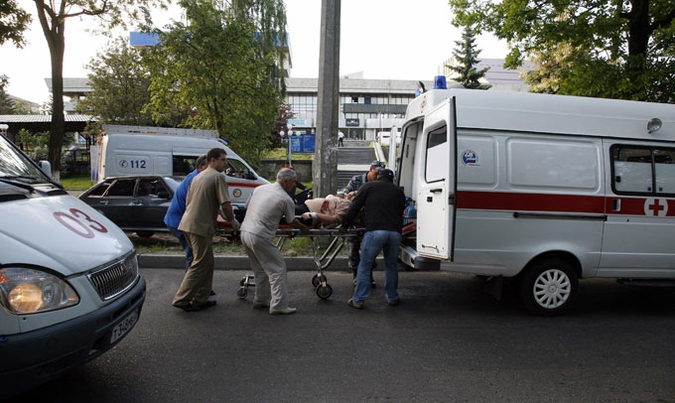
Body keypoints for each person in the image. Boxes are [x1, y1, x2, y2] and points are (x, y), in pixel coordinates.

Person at [172, 148, 240, 312]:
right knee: (200, 263)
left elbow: (193, 202)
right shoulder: (218, 177)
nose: (225, 163)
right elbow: (226, 205)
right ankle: (182, 299)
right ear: (213, 160)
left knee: (207, 262)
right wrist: (233, 221)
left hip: (188, 224)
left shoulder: (198, 176)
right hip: (200, 226)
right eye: (223, 160)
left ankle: (200, 298)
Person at [240, 168, 310, 315]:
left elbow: (247, 207)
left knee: (260, 269)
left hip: (245, 231)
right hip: (260, 235)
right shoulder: (285, 199)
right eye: (293, 182)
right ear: (285, 181)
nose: (294, 185)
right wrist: (303, 227)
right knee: (277, 269)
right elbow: (292, 221)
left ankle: (261, 298)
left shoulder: (260, 189)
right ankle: (279, 304)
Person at [339, 169, 406, 309]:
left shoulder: (368, 187)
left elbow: (355, 207)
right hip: (394, 233)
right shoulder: (399, 192)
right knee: (391, 265)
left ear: (377, 177)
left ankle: (359, 300)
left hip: (375, 231)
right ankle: (392, 297)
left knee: (365, 265)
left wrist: (345, 225)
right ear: (392, 179)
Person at [340, 160, 386, 285]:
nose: (377, 177)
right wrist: (352, 194)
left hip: (371, 220)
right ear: (370, 169)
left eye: (379, 175)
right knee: (353, 248)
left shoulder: (380, 183)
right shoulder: (357, 180)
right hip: (355, 219)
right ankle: (356, 275)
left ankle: (369, 276)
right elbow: (345, 193)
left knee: (371, 250)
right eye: (376, 173)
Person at [163, 155, 207, 271]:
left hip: (177, 219)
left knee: (194, 253)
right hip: (179, 221)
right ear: (201, 167)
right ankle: (191, 286)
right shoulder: (196, 179)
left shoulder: (194, 176)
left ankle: (195, 285)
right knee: (192, 254)